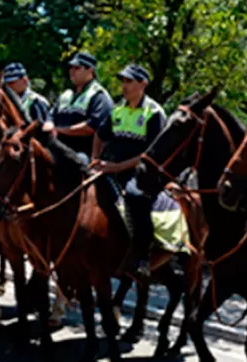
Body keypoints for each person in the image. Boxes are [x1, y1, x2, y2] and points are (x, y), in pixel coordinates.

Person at [89, 64, 165, 276]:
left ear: (143, 84)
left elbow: (150, 154)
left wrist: (117, 167)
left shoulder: (154, 112)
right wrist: (95, 159)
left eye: (129, 81)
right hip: (110, 167)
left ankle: (142, 255)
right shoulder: (117, 110)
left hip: (140, 172)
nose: (124, 86)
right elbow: (99, 135)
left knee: (134, 195)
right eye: (123, 81)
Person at [52, 51, 113, 161]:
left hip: (84, 151)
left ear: (90, 70)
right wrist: (48, 124)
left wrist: (61, 130)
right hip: (57, 147)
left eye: (77, 68)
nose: (72, 71)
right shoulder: (66, 95)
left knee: (76, 163)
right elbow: (50, 116)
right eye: (71, 68)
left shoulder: (99, 96)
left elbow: (92, 127)